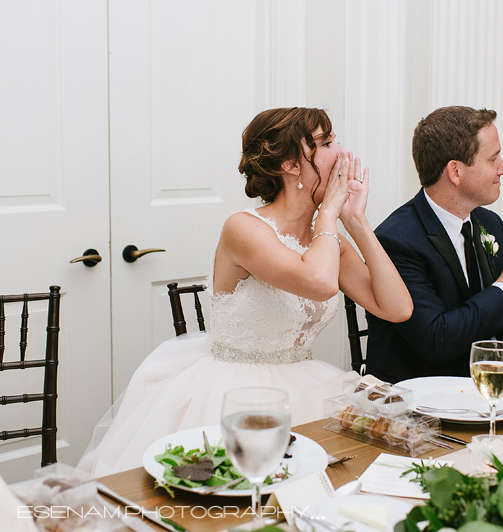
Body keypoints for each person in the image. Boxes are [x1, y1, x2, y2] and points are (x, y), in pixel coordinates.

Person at [78, 107, 413, 476]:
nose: (342, 153)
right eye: (327, 143)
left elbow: (397, 308)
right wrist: (331, 214)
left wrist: (356, 220)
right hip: (231, 394)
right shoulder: (243, 228)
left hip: (303, 383)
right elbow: (320, 284)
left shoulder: (326, 238)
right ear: (291, 164)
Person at [366, 106, 503, 383]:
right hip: (418, 405)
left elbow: (495, 329)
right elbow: (435, 339)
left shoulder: (489, 224)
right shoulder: (398, 240)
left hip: (482, 390)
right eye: (493, 158)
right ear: (455, 171)